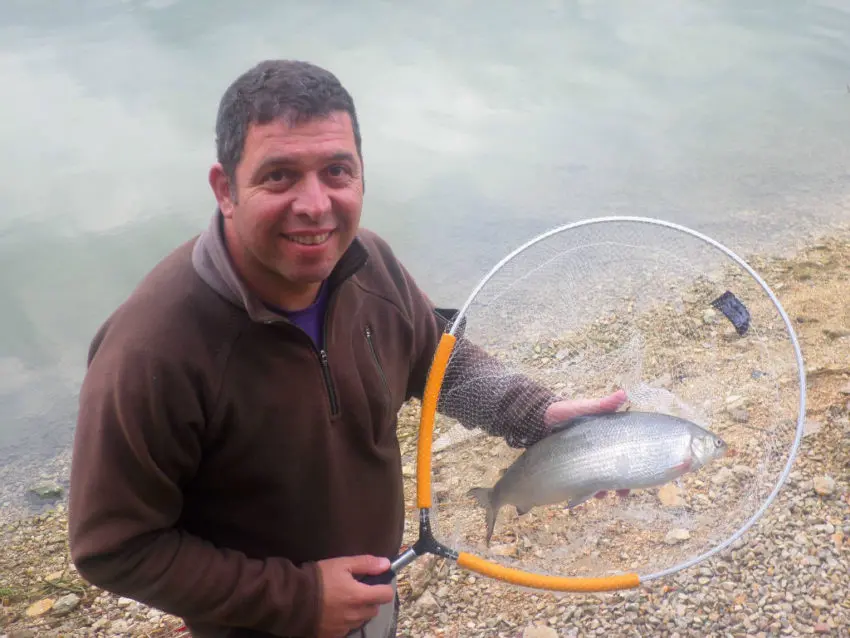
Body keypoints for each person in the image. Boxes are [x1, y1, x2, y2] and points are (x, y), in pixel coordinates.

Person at [67, 59, 626, 638]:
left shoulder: (371, 266)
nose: (315, 204)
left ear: (362, 175)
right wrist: (300, 599)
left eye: (337, 171)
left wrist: (534, 413)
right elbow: (115, 546)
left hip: (373, 593)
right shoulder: (150, 350)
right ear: (225, 189)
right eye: (279, 175)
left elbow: (441, 365)